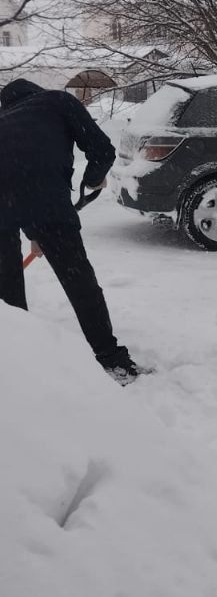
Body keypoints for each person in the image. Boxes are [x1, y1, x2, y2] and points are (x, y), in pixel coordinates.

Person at [0, 78, 144, 380]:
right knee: (79, 283)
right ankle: (112, 360)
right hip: (46, 203)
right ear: (36, 92)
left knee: (7, 289)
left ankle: (17, 365)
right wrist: (92, 181)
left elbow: (13, 172)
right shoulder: (57, 101)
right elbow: (102, 151)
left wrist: (34, 231)